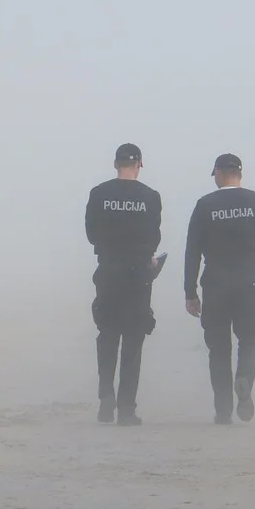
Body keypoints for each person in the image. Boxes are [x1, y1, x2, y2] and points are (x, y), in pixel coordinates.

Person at [184, 153, 255, 425]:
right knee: (252, 339)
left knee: (218, 348)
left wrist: (190, 292)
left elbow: (193, 251)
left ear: (218, 172)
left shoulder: (205, 205)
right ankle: (245, 378)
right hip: (249, 281)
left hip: (215, 282)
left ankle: (223, 410)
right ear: (240, 173)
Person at [85, 143, 162, 426]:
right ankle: (127, 408)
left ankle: (106, 398)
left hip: (108, 271)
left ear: (115, 163)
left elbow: (91, 233)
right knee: (133, 339)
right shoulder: (150, 197)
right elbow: (154, 236)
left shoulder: (99, 194)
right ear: (139, 164)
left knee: (107, 334)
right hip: (138, 275)